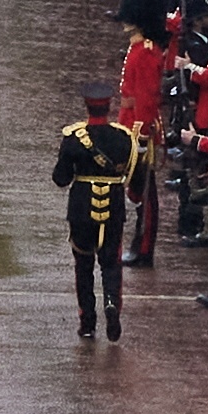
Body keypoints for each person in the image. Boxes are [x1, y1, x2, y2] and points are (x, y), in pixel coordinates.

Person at [53, 93, 137, 340]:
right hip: (113, 207)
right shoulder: (124, 138)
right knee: (111, 264)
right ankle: (111, 303)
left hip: (81, 208)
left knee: (83, 266)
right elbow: (132, 176)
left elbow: (61, 179)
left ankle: (87, 321)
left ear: (87, 106)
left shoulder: (73, 138)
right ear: (108, 107)